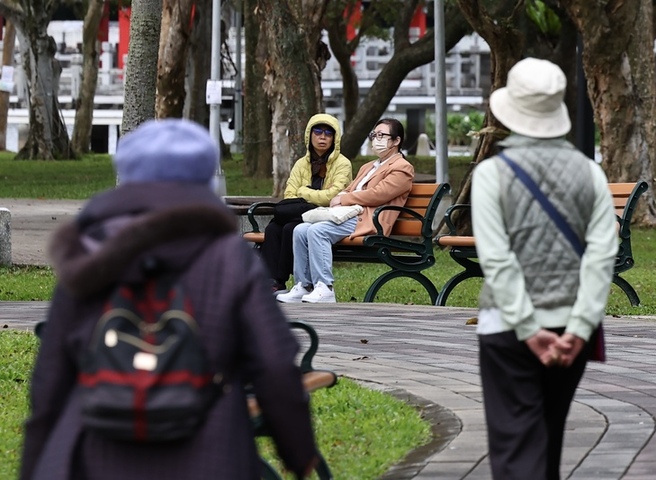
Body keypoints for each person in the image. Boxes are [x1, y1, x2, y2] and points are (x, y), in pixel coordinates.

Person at [20, 119, 318, 480]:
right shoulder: (227, 256)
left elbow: (50, 379)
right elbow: (273, 362)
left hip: (93, 455)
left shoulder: (87, 249)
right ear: (207, 180)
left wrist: (36, 464)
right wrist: (299, 454)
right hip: (211, 453)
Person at [470, 58, 618, 480]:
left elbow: (497, 260)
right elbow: (600, 257)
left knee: (517, 449)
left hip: (506, 329)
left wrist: (529, 329)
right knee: (547, 446)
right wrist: (579, 328)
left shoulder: (491, 175)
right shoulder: (591, 174)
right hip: (572, 331)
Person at [277, 118, 414, 304]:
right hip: (348, 214)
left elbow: (379, 195)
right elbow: (351, 189)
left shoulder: (402, 167)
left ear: (396, 141)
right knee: (300, 230)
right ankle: (304, 285)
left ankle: (325, 287)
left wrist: (344, 199)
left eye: (382, 135)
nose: (376, 139)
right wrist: (341, 196)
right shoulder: (369, 166)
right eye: (374, 135)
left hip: (369, 219)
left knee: (317, 231)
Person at [262, 114, 352, 295]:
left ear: (335, 138)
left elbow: (332, 197)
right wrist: (309, 198)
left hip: (326, 215)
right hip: (303, 212)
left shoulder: (343, 164)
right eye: (318, 131)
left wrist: (303, 192)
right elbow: (289, 194)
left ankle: (287, 282)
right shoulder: (301, 164)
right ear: (309, 135)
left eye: (328, 133)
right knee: (273, 228)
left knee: (290, 228)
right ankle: (271, 280)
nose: (323, 137)